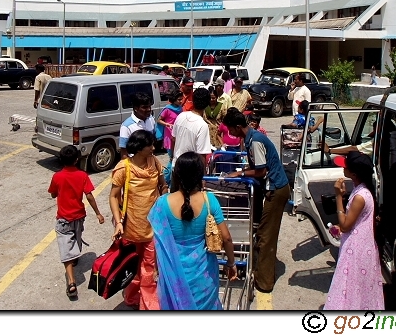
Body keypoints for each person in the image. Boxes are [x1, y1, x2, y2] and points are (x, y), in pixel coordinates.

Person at [148, 151, 237, 309]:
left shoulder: (162, 204)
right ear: (200, 174)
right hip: (204, 274)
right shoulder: (209, 199)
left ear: (176, 174)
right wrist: (231, 264)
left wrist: (156, 268)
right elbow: (227, 238)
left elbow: (158, 242)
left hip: (172, 274)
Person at [224, 110, 290, 294]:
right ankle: (259, 271)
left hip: (277, 189)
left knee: (266, 236)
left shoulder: (256, 141)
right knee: (261, 231)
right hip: (271, 188)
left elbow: (261, 171)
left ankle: (264, 283)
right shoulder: (250, 139)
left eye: (230, 129)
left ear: (238, 127)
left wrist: (239, 173)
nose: (229, 133)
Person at [109, 130, 168, 310]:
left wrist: (163, 201)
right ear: (140, 148)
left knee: (149, 266)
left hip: (152, 228)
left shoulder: (155, 163)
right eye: (150, 145)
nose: (153, 147)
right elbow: (113, 196)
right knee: (132, 266)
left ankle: (148, 304)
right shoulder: (123, 168)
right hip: (130, 228)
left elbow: (162, 185)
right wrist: (118, 223)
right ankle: (133, 297)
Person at [324, 151, 384, 310]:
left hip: (355, 251)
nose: (343, 168)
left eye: (346, 166)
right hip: (361, 247)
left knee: (347, 288)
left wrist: (338, 196)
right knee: (358, 291)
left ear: (354, 174)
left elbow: (345, 225)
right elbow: (353, 222)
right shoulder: (363, 190)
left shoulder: (360, 196)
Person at [48, 145, 105, 300]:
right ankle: (74, 261)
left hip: (63, 219)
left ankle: (72, 282)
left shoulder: (57, 177)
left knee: (65, 247)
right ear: (76, 159)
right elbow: (90, 196)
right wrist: (98, 214)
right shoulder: (82, 175)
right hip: (79, 216)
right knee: (76, 239)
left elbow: (53, 194)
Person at [171, 87, 213, 171]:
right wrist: (203, 177)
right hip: (191, 171)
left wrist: (173, 158)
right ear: (208, 103)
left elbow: (173, 139)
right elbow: (202, 155)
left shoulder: (181, 116)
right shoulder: (202, 125)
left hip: (176, 166)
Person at [119, 92, 156, 160]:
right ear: (136, 108)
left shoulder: (151, 120)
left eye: (149, 106)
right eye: (144, 107)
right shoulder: (126, 126)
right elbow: (124, 153)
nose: (148, 109)